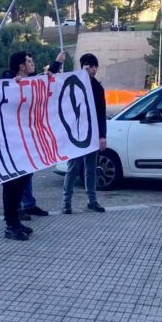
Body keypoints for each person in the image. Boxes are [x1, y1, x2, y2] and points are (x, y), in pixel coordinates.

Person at [14, 50, 66, 221]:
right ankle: (17, 208)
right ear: (21, 66)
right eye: (29, 61)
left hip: (28, 136)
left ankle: (28, 204)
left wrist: (57, 63)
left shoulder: (31, 81)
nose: (32, 63)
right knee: (18, 175)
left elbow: (44, 80)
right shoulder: (9, 81)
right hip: (15, 138)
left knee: (28, 172)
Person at [62, 53, 107, 214]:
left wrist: (102, 136)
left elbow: (102, 114)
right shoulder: (73, 84)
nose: (93, 70)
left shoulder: (98, 88)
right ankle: (66, 202)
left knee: (91, 169)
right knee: (72, 168)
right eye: (90, 67)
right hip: (76, 134)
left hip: (92, 134)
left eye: (95, 67)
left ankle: (92, 200)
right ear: (83, 67)